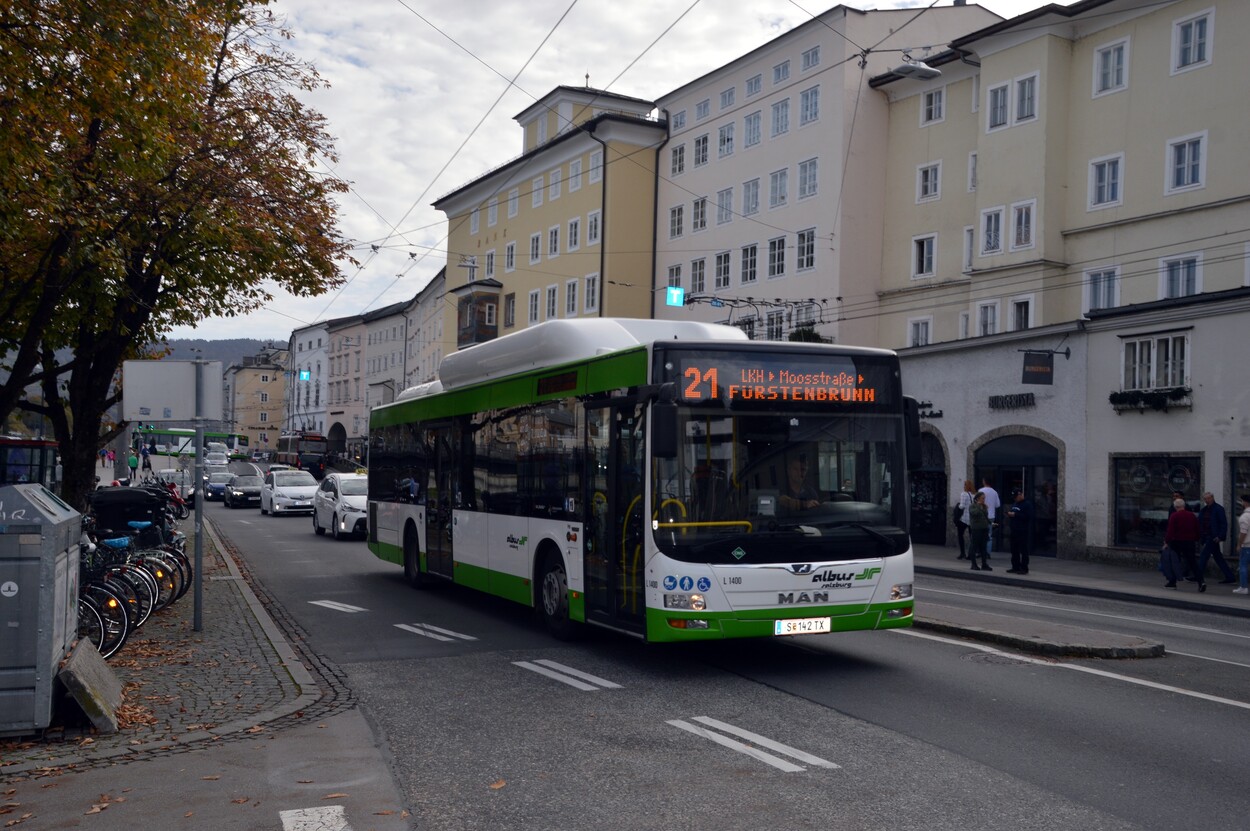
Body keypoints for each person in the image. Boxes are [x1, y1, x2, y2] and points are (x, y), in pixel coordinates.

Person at [1164, 497, 1203, 591]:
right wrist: (1196, 539)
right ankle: (1201, 582)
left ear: (1175, 507)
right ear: (1184, 506)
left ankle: (1172, 582)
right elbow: (1197, 528)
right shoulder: (1192, 515)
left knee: (1174, 561)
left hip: (1177, 542)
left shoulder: (1174, 516)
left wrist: (1166, 541)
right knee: (1192, 562)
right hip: (1190, 542)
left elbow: (1170, 531)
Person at [1197, 492, 1236, 584]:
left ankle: (1197, 575)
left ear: (1212, 498)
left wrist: (1220, 536)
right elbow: (1200, 522)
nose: (1207, 500)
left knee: (1204, 555)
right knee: (1218, 557)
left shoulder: (1218, 509)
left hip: (1213, 536)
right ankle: (1230, 576)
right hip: (1207, 536)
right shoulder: (1204, 510)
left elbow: (1223, 524)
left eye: (1208, 498)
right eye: (1205, 499)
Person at [1006, 489, 1033, 575]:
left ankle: (1024, 568)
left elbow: (1028, 516)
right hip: (1014, 530)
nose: (1015, 499)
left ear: (1020, 495)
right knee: (1014, 549)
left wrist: (1015, 515)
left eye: (1016, 497)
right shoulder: (1015, 504)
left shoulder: (1027, 505)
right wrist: (1010, 515)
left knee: (1023, 550)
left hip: (1022, 530)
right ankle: (1015, 566)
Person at [968, 491, 991, 571]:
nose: (984, 500)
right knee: (974, 546)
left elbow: (986, 516)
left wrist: (990, 523)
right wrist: (979, 505)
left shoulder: (984, 506)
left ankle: (984, 564)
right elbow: (974, 514)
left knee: (983, 547)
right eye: (982, 498)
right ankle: (973, 564)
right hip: (976, 529)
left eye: (984, 498)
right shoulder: (973, 506)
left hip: (984, 529)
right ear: (978, 499)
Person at [978, 478, 1001, 556]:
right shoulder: (994, 492)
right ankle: (987, 553)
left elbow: (977, 502)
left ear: (984, 482)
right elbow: (998, 505)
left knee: (980, 534)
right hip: (991, 515)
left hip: (982, 515)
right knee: (989, 535)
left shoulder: (981, 490)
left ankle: (980, 551)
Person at [954, 479, 975, 560]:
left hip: (963, 518)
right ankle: (970, 554)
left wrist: (958, 506)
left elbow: (962, 506)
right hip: (971, 518)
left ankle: (962, 553)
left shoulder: (964, 494)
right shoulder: (974, 494)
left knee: (960, 535)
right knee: (971, 537)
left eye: (964, 485)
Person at [1235, 494, 1250, 595]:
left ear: (1245, 502)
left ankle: (1243, 587)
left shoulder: (1245, 516)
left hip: (1247, 545)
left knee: (1243, 565)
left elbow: (1243, 532)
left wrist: (1239, 544)